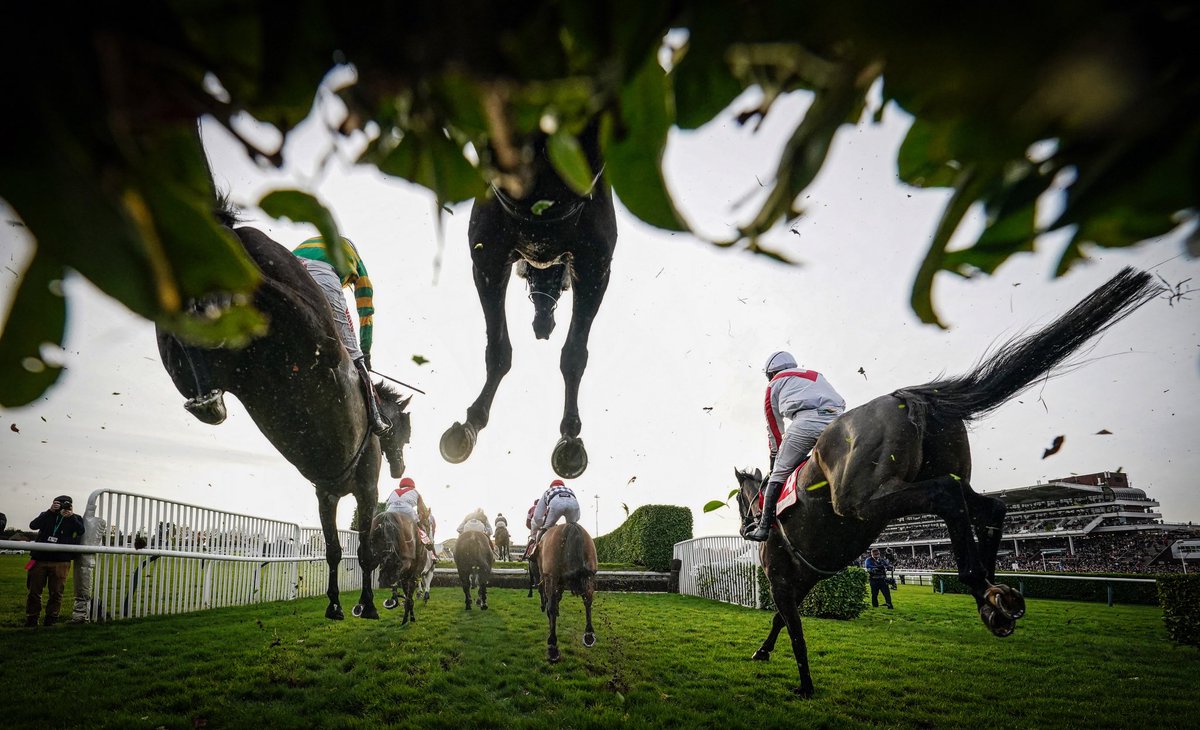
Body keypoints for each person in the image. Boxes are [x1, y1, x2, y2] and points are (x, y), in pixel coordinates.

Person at [744, 351, 845, 542]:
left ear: (770, 373)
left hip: (806, 422)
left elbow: (774, 429)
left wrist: (774, 459)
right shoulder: (816, 374)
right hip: (839, 419)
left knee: (779, 473)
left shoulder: (773, 385)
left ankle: (763, 528)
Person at [292, 234, 389, 435]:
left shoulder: (314, 242)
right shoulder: (357, 264)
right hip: (322, 275)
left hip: (289, 267)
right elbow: (366, 312)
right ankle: (376, 417)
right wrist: (365, 352)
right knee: (355, 356)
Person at [26, 495, 86, 627]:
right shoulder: (47, 514)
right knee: (34, 591)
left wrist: (70, 517)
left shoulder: (75, 518)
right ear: (53, 504)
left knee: (56, 592)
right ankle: (32, 618)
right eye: (59, 504)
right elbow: (33, 525)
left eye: (66, 505)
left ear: (71, 506)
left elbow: (81, 531)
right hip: (39, 559)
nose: (63, 507)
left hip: (61, 560)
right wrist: (50, 511)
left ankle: (51, 619)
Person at [527, 479, 582, 554]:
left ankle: (535, 552)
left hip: (556, 505)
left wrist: (542, 526)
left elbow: (537, 516)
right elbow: (578, 516)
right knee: (572, 529)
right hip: (573, 505)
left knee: (544, 529)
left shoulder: (548, 491)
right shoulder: (569, 490)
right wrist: (573, 522)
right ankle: (578, 550)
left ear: (551, 486)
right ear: (563, 486)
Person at [384, 476, 433, 550]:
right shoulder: (415, 492)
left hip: (391, 510)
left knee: (384, 525)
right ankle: (427, 542)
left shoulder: (394, 491)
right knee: (418, 526)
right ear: (412, 485)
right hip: (407, 510)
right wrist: (422, 516)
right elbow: (422, 510)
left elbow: (387, 503)